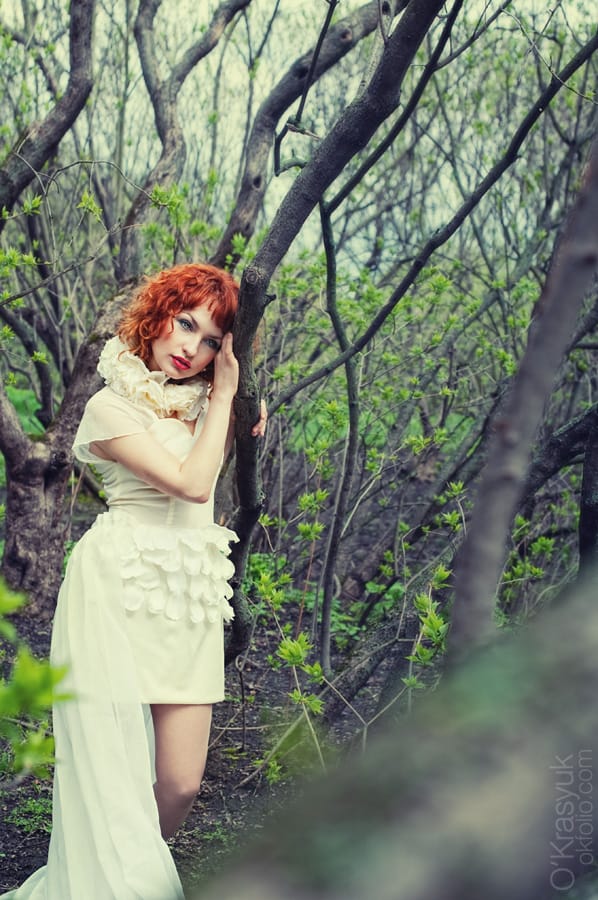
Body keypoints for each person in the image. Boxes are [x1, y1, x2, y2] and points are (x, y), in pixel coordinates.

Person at [2, 263, 266, 899]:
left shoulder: (205, 404)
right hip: (118, 586)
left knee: (180, 783)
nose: (191, 348)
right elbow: (193, 484)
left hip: (190, 590)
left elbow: (217, 460)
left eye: (211, 340)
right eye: (185, 323)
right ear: (158, 314)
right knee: (112, 772)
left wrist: (242, 410)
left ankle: (120, 882)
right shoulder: (109, 405)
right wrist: (227, 401)